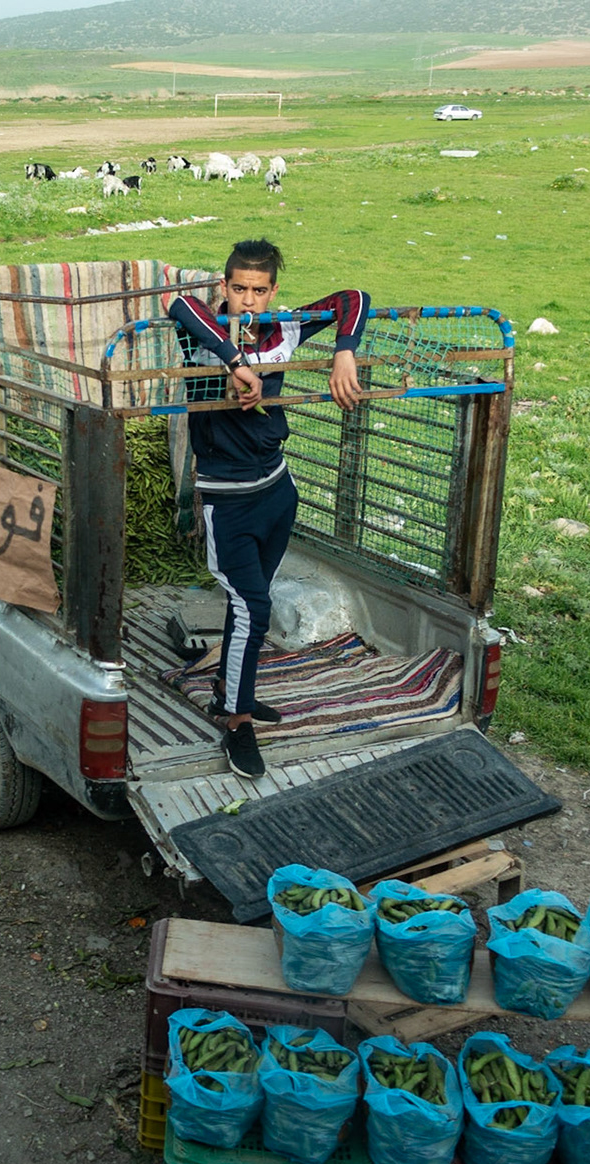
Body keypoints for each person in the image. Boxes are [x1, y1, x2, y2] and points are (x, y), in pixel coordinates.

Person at [167, 239, 368, 779]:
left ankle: (233, 690)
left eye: (259, 290)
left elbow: (354, 296)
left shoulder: (285, 329)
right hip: (227, 500)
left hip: (277, 492)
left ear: (273, 291)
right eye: (238, 289)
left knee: (247, 611)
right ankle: (235, 721)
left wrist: (344, 349)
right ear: (224, 286)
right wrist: (235, 363)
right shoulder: (203, 335)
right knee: (253, 608)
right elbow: (178, 305)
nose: (248, 301)